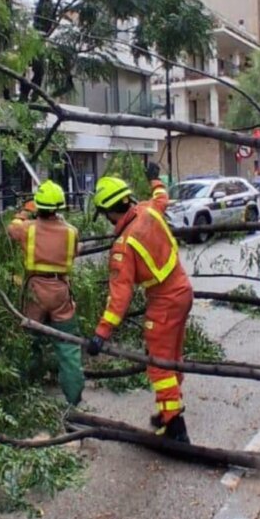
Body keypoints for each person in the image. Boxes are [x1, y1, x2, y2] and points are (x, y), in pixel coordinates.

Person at [85, 174, 193, 443]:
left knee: (158, 364)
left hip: (164, 302)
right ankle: (169, 409)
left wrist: (101, 333)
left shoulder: (124, 246)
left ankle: (174, 427)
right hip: (183, 291)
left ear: (110, 211)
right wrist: (155, 178)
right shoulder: (148, 209)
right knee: (172, 357)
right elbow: (161, 197)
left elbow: (119, 297)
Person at [7, 180, 84, 407]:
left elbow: (11, 228)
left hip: (34, 291)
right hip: (61, 291)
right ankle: (74, 398)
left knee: (28, 341)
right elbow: (75, 251)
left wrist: (24, 211)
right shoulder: (72, 232)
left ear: (37, 206)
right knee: (68, 344)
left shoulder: (27, 229)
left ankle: (26, 392)